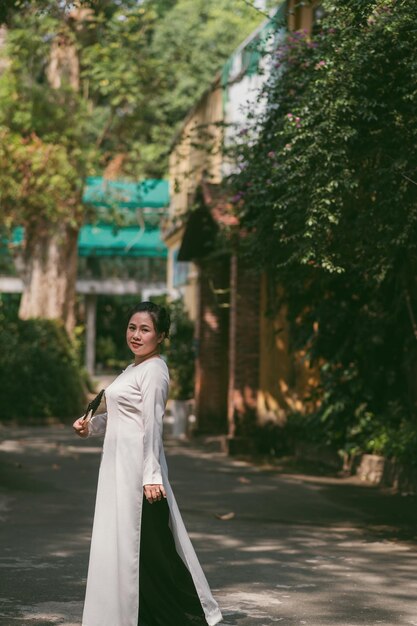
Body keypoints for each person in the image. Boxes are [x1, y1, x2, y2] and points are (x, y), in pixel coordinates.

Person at [73, 301, 223, 626]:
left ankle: (176, 617)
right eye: (132, 327)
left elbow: (152, 425)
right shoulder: (133, 369)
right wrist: (90, 426)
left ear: (161, 335)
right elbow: (121, 418)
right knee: (126, 546)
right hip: (117, 468)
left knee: (149, 550)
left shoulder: (155, 370)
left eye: (145, 329)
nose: (136, 335)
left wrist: (151, 475)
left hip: (137, 472)